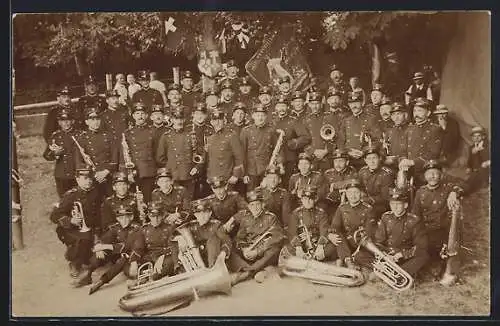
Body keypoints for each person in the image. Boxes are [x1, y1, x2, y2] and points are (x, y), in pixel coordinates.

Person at [411, 159, 464, 286]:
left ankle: (442, 268)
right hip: (426, 230)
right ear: (425, 176)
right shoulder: (420, 192)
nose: (432, 176)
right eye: (429, 173)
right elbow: (415, 215)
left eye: (435, 173)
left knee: (444, 254)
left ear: (440, 175)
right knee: (421, 252)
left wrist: (454, 193)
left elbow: (463, 185)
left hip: (442, 231)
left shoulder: (447, 189)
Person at [73, 205, 144, 294]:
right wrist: (100, 247)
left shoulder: (137, 228)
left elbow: (126, 246)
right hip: (117, 255)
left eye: (126, 217)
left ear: (131, 217)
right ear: (117, 219)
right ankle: (88, 275)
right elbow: (104, 239)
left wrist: (105, 246)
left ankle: (102, 280)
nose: (124, 220)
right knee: (98, 255)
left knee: (128, 271)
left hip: (130, 256)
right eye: (121, 218)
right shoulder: (115, 227)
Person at [49, 166, 101, 279]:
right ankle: (74, 262)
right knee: (81, 241)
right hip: (71, 230)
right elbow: (54, 216)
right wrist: (70, 220)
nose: (88, 181)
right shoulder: (71, 195)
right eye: (85, 179)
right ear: (77, 179)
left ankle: (84, 256)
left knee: (91, 258)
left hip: (90, 228)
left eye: (90, 179)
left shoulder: (95, 193)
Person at [228, 189, 286, 284]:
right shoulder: (246, 219)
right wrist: (244, 249)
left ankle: (247, 273)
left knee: (274, 250)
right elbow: (239, 238)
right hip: (250, 251)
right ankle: (255, 269)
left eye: (257, 204)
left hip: (263, 252)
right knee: (231, 248)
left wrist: (257, 251)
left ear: (262, 205)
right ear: (248, 207)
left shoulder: (271, 217)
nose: (255, 208)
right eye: (252, 205)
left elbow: (276, 238)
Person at [374, 187, 429, 280]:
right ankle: (395, 271)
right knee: (361, 254)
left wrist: (402, 254)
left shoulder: (414, 220)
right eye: (392, 204)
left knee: (423, 256)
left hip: (405, 256)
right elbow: (379, 240)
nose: (395, 207)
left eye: (398, 204)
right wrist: (384, 255)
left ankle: (397, 274)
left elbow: (421, 245)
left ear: (405, 205)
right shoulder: (385, 217)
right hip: (388, 253)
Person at [288, 185, 348, 264]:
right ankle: (312, 259)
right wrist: (298, 247)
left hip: (317, 243)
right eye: (305, 199)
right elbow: (292, 232)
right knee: (288, 248)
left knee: (336, 243)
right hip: (301, 244)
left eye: (311, 199)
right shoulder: (296, 213)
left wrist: (320, 247)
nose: (308, 201)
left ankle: (316, 258)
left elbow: (324, 230)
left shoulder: (321, 213)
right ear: (301, 200)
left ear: (315, 199)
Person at [330, 178, 377, 271]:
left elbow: (369, 231)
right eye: (350, 193)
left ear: (361, 194)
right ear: (346, 194)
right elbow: (335, 226)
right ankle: (348, 261)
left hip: (361, 242)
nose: (353, 196)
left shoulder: (368, 209)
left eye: (356, 192)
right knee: (337, 235)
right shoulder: (342, 208)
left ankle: (344, 259)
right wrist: (331, 235)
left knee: (364, 255)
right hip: (346, 242)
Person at [74, 106, 119, 200]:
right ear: (86, 122)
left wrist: (106, 172)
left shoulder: (109, 136)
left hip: (109, 176)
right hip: (92, 177)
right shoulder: (82, 139)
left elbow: (115, 157)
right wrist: (95, 174)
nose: (96, 122)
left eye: (97, 119)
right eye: (92, 119)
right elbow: (79, 162)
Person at [156, 107, 201, 200]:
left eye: (181, 119)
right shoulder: (166, 136)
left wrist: (196, 168)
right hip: (173, 176)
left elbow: (200, 155)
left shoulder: (191, 135)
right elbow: (160, 158)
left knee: (188, 201)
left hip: (188, 175)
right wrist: (171, 166)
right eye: (176, 119)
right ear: (172, 120)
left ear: (184, 120)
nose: (179, 121)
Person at [399, 97, 443, 187]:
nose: (416, 114)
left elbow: (434, 153)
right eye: (415, 111)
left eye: (420, 111)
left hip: (426, 172)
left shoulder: (435, 129)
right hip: (409, 171)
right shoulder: (409, 129)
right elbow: (403, 149)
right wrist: (403, 160)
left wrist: (413, 162)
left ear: (428, 113)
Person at [240, 103, 285, 191]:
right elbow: (241, 154)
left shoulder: (270, 130)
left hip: (266, 168)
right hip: (251, 170)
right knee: (252, 195)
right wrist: (244, 173)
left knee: (266, 194)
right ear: (253, 116)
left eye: (263, 115)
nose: (260, 118)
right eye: (258, 115)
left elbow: (278, 148)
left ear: (266, 117)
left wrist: (280, 164)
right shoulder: (246, 131)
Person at [177, 199, 232, 269]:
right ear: (195, 215)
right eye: (198, 214)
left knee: (213, 239)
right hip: (200, 260)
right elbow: (172, 237)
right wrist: (181, 238)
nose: (201, 216)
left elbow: (227, 241)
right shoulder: (191, 226)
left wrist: (223, 253)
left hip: (216, 259)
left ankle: (213, 269)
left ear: (210, 213)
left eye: (204, 213)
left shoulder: (216, 225)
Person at [121, 102, 158, 204]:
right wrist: (127, 173)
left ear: (146, 116)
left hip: (149, 172)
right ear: (133, 116)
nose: (140, 116)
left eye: (142, 113)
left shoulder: (153, 131)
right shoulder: (127, 133)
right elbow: (124, 154)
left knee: (149, 201)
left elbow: (157, 153)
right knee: (135, 201)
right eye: (137, 113)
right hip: (134, 172)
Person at [271, 96, 311, 187]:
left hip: (289, 159)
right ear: (275, 108)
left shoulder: (293, 121)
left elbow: (306, 137)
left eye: (283, 106)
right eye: (279, 106)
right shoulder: (271, 122)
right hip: (272, 158)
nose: (281, 109)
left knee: (287, 184)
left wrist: (294, 143)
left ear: (288, 107)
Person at [205, 108, 245, 196]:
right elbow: (209, 160)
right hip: (213, 178)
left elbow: (239, 157)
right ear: (211, 122)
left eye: (220, 120)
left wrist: (236, 175)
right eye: (215, 120)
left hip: (227, 178)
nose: (218, 123)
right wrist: (209, 176)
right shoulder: (210, 138)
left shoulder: (232, 136)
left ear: (225, 121)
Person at [138, 201, 179, 280]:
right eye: (153, 216)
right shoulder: (144, 230)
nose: (155, 219)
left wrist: (161, 257)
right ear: (149, 216)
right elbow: (139, 248)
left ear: (163, 215)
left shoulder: (170, 228)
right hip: (151, 258)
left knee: (169, 262)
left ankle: (153, 277)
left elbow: (173, 246)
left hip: (166, 257)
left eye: (158, 216)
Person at [43, 108, 79, 198]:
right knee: (64, 201)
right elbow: (46, 155)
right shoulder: (56, 136)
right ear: (59, 123)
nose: (66, 123)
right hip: (61, 175)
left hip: (77, 174)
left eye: (68, 120)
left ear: (73, 121)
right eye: (63, 121)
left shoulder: (80, 135)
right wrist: (55, 153)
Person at [358, 143, 394, 219]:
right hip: (366, 203)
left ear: (379, 158)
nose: (372, 161)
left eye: (374, 158)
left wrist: (367, 200)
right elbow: (359, 188)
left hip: (381, 207)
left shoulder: (386, 174)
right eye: (369, 159)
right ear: (365, 160)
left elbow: (385, 198)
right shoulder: (362, 172)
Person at [304, 91, 333, 172]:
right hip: (311, 157)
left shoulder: (329, 118)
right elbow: (303, 139)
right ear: (309, 105)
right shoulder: (305, 120)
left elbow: (336, 137)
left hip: (327, 157)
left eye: (317, 103)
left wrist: (326, 151)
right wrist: (313, 151)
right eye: (312, 104)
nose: (315, 106)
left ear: (321, 104)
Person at [323, 148, 358, 214]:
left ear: (347, 162)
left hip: (350, 204)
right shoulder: (328, 174)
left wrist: (334, 185)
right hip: (332, 205)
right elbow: (326, 194)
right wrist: (341, 190)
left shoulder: (352, 171)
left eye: (341, 161)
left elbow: (353, 182)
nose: (338, 164)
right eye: (335, 161)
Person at [383, 102, 409, 170]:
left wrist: (396, 159)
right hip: (391, 168)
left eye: (399, 114)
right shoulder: (389, 131)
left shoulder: (411, 130)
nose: (396, 117)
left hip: (406, 167)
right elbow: (385, 149)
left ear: (405, 115)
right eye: (393, 114)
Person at [465, 126, 490, 193]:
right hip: (475, 170)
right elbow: (470, 160)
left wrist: (487, 162)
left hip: (486, 170)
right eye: (474, 136)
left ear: (483, 137)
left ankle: (485, 183)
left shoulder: (488, 146)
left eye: (479, 136)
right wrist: (468, 167)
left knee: (474, 182)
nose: (476, 138)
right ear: (472, 138)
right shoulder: (471, 147)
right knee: (469, 183)